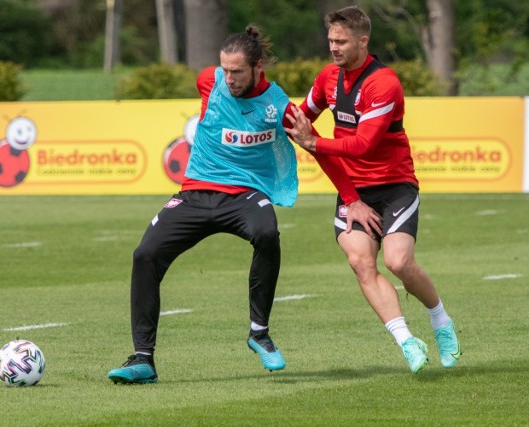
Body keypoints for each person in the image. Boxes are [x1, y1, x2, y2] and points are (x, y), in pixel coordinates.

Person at [107, 24, 370, 384]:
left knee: (267, 232)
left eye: (237, 72)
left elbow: (315, 146)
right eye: (225, 70)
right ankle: (143, 359)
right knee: (144, 254)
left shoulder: (279, 107)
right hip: (196, 193)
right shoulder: (207, 82)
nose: (228, 79)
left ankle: (258, 332)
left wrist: (352, 199)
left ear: (258, 67)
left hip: (246, 194)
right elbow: (214, 83)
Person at [284, 5, 461, 374]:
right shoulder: (327, 78)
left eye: (341, 41)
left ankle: (441, 322)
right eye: (331, 40)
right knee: (360, 261)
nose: (333, 47)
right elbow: (301, 118)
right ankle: (407, 342)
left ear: (363, 41)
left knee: (398, 262)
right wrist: (265, 114)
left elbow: (363, 144)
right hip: (354, 191)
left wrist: (314, 144)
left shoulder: (384, 83)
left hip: (395, 185)